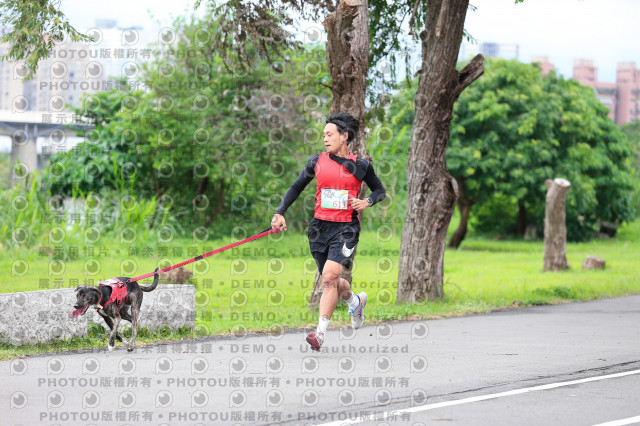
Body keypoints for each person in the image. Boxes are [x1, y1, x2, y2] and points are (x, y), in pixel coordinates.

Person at [271, 111, 386, 351]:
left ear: (344, 137)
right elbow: (296, 187)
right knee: (331, 280)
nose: (325, 138)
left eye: (330, 134)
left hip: (346, 229)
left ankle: (319, 334)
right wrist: (280, 211)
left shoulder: (361, 165)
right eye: (323, 135)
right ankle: (355, 302)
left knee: (330, 277)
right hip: (319, 228)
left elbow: (379, 191)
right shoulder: (317, 161)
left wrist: (367, 202)